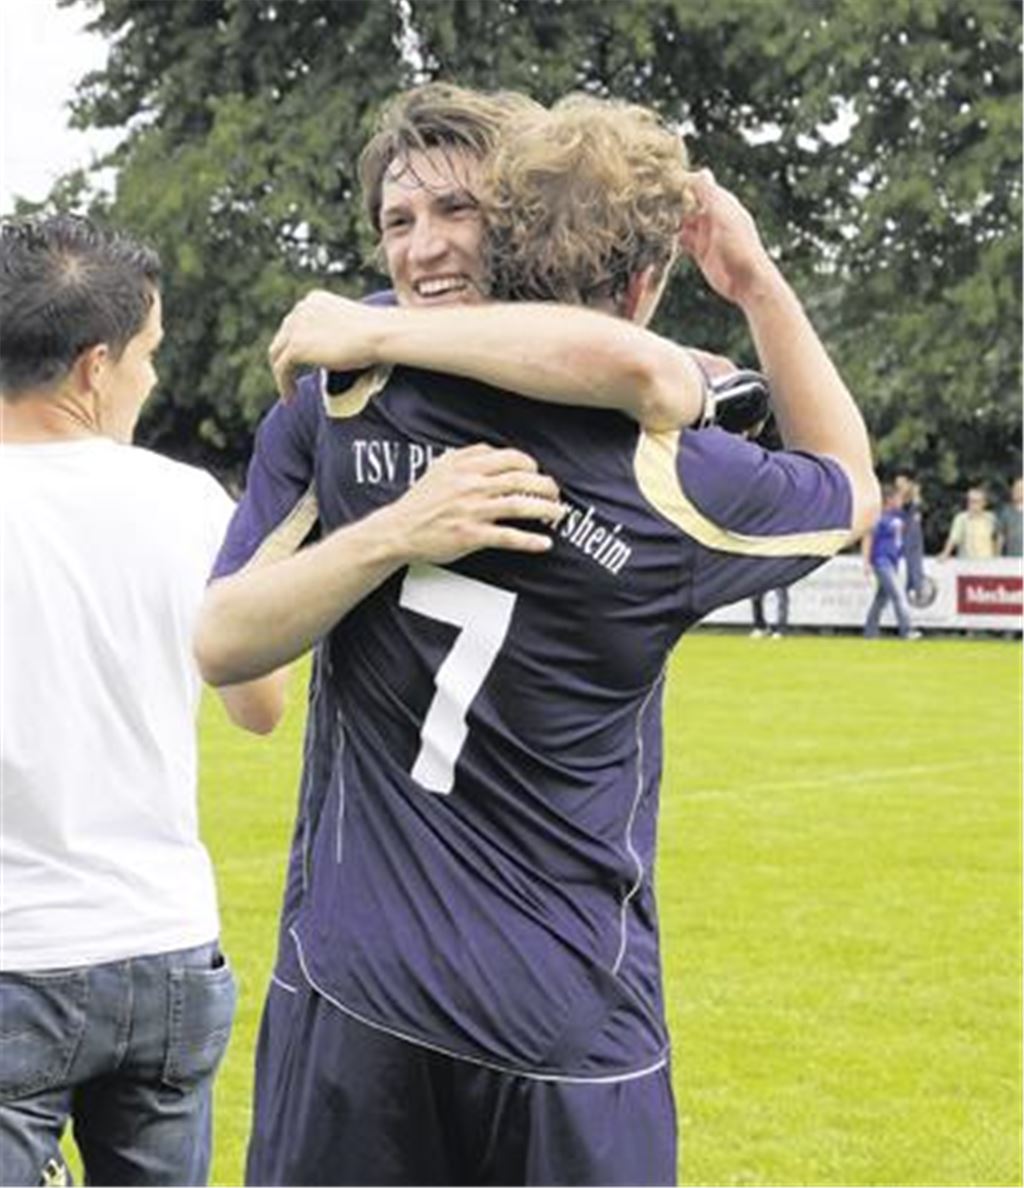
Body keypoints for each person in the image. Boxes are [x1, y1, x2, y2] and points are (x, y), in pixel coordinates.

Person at [196, 87, 879, 1186]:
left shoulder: (354, 382)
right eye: (398, 221)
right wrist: (753, 283)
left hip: (357, 985)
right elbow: (846, 488)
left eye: (454, 213)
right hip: (560, 1006)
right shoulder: (667, 469)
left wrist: (379, 392)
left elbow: (642, 367)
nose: (422, 249)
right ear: (645, 280)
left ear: (509, 231)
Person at [0, 215, 288, 1186]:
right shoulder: (191, 503)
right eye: (148, 355)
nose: (151, 379)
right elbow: (260, 706)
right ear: (95, 366)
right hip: (164, 948)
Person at [862, 482, 920, 639]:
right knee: (898, 595)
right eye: (897, 498)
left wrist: (911, 491)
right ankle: (907, 630)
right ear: (889, 500)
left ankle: (870, 632)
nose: (900, 501)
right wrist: (866, 562)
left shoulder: (899, 515)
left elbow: (912, 504)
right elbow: (868, 538)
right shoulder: (879, 517)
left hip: (893, 562)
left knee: (880, 599)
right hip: (882, 561)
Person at [938, 486, 1000, 559]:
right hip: (967, 562)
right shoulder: (961, 519)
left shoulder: (991, 518)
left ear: (984, 503)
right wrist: (945, 553)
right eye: (970, 501)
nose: (972, 504)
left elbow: (996, 538)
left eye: (976, 501)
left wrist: (996, 557)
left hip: (987, 562)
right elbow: (953, 538)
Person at [894, 473, 927, 602]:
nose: (900, 488)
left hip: (912, 538)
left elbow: (917, 512)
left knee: (914, 564)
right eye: (898, 486)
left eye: (902, 484)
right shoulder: (898, 501)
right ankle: (912, 589)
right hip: (902, 538)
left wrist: (915, 495)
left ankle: (916, 589)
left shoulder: (915, 502)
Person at [996, 476, 1022, 557]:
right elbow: (1000, 537)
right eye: (1014, 489)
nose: (1015, 491)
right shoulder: (1006, 511)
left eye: (1019, 489)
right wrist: (997, 556)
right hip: (1012, 558)